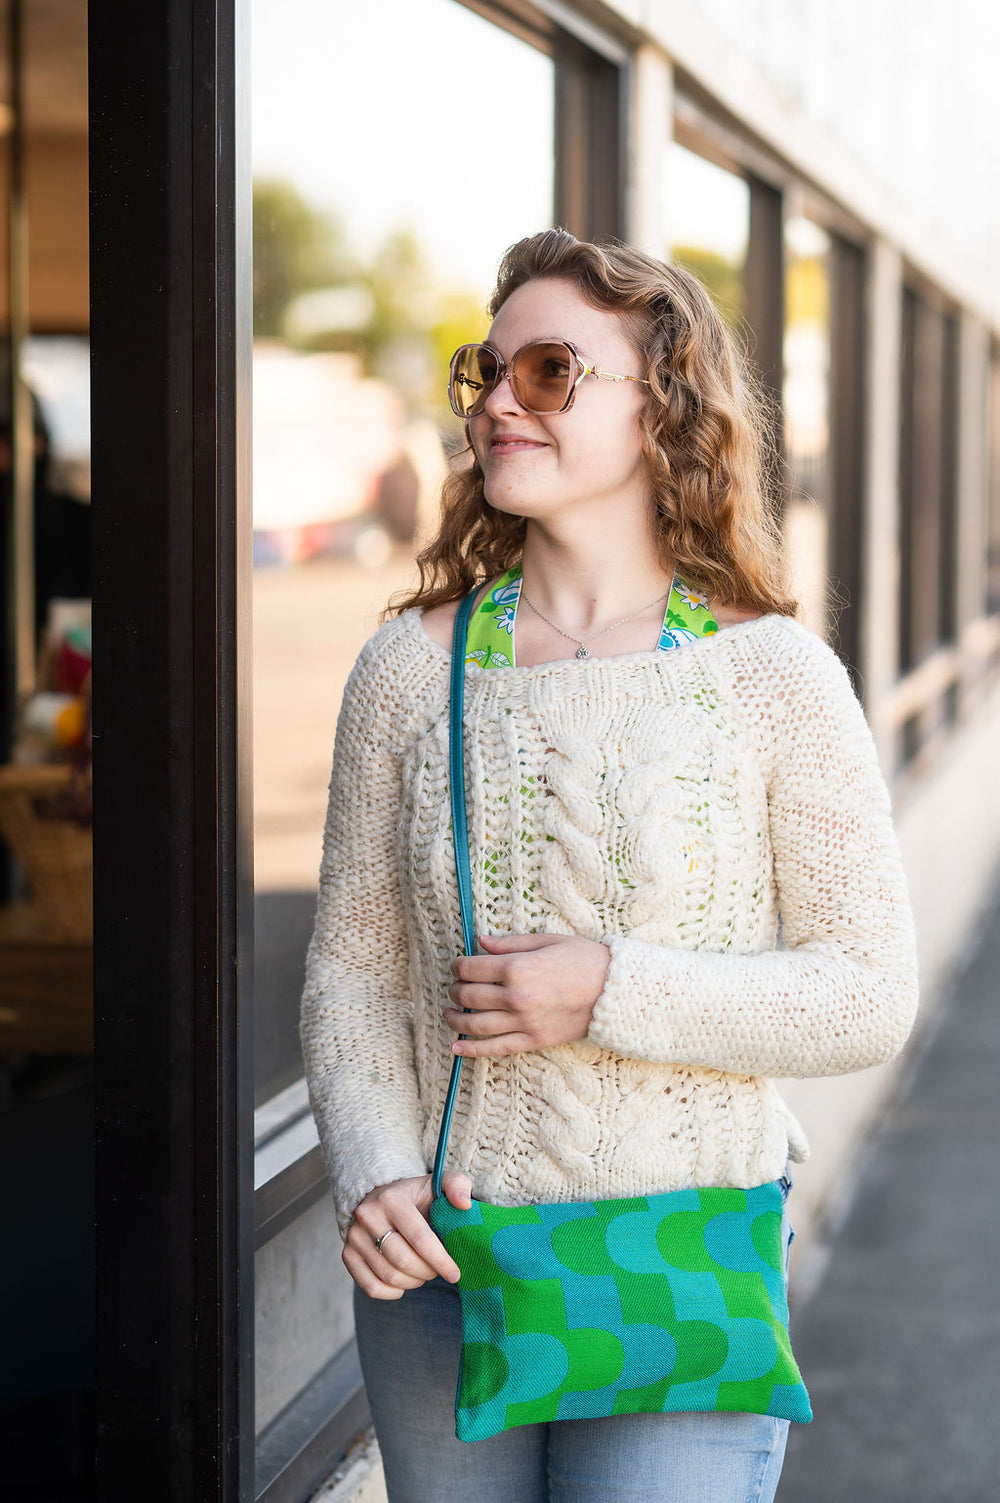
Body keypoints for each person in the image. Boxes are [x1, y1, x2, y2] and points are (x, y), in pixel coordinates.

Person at [299, 229, 919, 1502]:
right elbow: (352, 974)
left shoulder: (772, 679)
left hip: (674, 1266)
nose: (498, 405)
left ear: (663, 410)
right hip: (443, 1271)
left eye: (550, 372)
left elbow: (865, 989)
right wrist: (374, 1172)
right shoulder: (408, 672)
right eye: (488, 371)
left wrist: (606, 989)